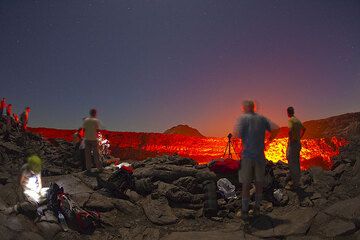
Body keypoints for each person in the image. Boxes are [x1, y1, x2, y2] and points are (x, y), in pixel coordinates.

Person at [235, 100, 273, 220]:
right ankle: (257, 209)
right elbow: (275, 129)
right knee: (258, 183)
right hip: (260, 157)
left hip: (247, 156)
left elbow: (238, 134)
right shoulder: (262, 119)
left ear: (245, 108)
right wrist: (268, 141)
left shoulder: (243, 119)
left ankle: (245, 211)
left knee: (246, 184)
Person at [286, 107, 306, 190]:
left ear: (288, 113)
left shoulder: (290, 120)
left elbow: (290, 131)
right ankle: (297, 180)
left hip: (293, 144)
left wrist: (291, 140)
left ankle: (295, 185)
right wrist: (299, 137)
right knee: (296, 162)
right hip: (298, 143)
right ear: (293, 112)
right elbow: (304, 129)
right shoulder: (297, 120)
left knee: (291, 163)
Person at [83, 109, 103, 174]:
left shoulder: (86, 120)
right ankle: (99, 168)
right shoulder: (95, 120)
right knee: (96, 154)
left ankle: (88, 169)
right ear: (94, 113)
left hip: (87, 139)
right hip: (94, 139)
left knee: (87, 155)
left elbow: (84, 130)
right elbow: (97, 130)